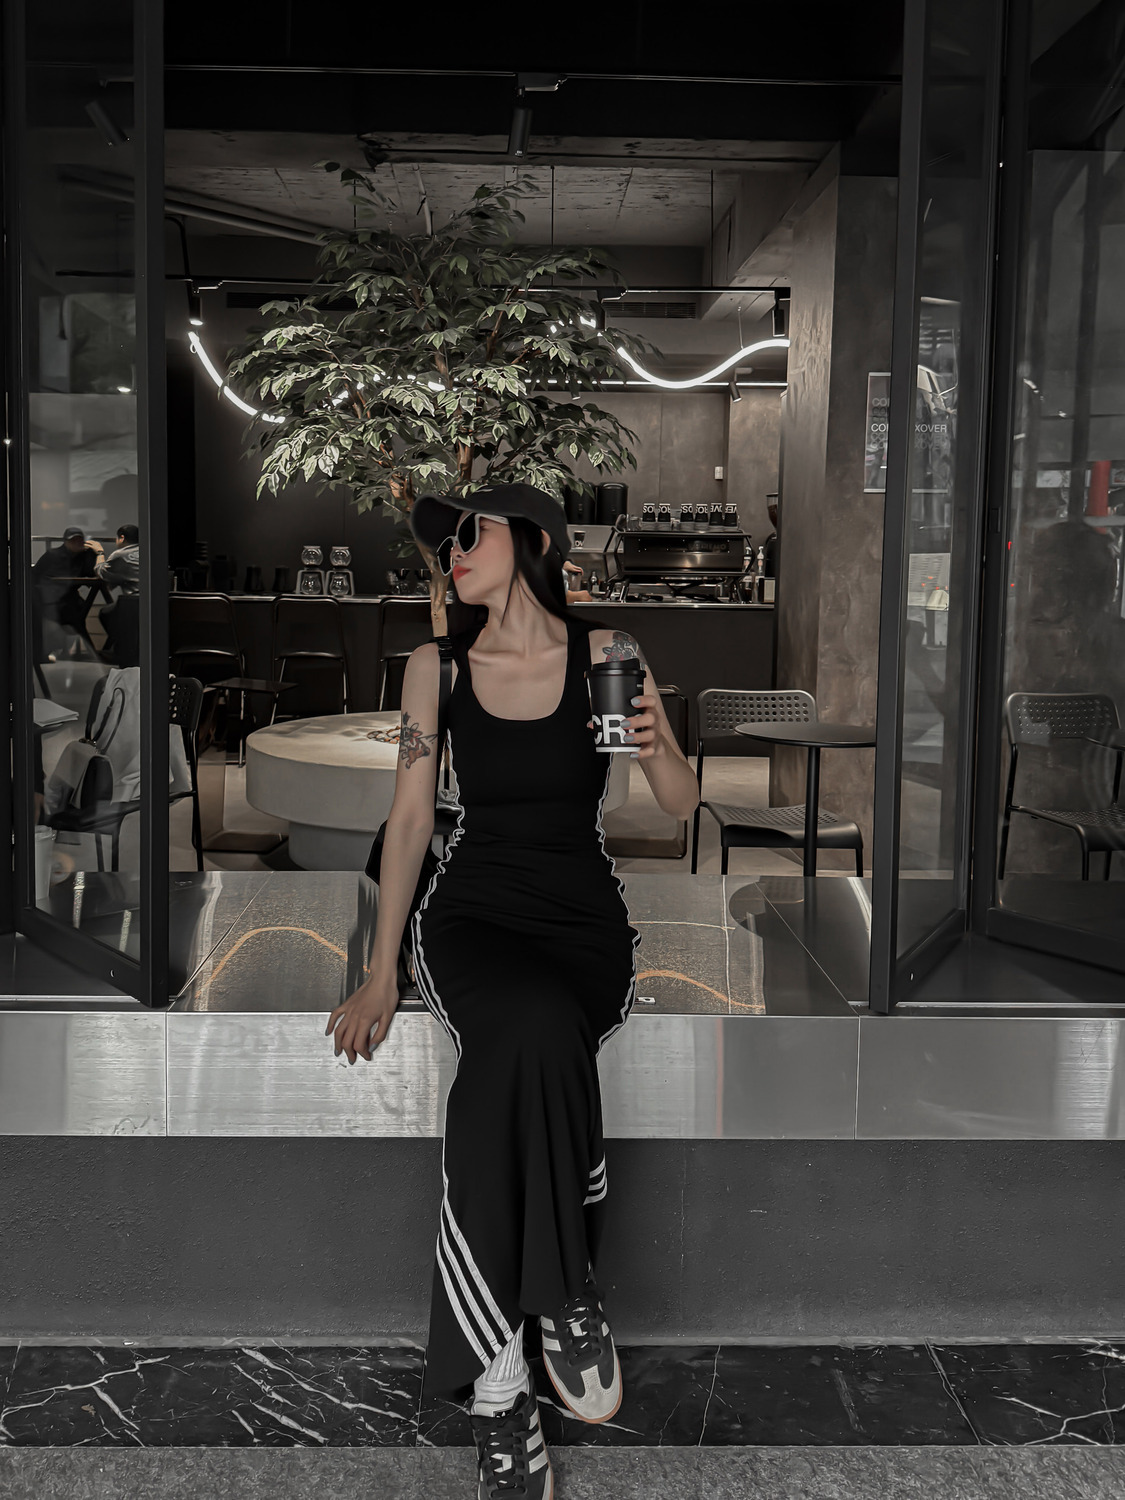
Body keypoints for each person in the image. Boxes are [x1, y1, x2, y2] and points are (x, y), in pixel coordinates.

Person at [326, 483, 699, 1500]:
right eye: (443, 542)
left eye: (468, 531)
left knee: (530, 1037)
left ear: (532, 538)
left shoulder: (608, 652)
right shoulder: (436, 668)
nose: (451, 551)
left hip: (583, 922)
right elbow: (412, 821)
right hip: (473, 916)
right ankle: (542, 1327)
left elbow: (675, 806)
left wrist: (661, 746)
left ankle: (507, 1379)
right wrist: (382, 966)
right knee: (523, 1028)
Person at [31, 526, 101, 660]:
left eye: (80, 540)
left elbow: (91, 573)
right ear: (66, 542)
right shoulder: (53, 555)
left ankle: (56, 650)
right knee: (73, 616)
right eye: (73, 540)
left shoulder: (84, 556)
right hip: (50, 598)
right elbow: (35, 576)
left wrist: (92, 554)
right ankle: (49, 651)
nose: (77, 543)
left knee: (76, 613)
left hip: (67, 599)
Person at [95, 524, 141, 663]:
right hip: (152, 601)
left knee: (105, 613)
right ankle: (124, 649)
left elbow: (101, 572)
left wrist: (99, 553)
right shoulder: (146, 551)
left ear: (122, 538)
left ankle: (121, 650)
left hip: (132, 603)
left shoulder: (121, 554)